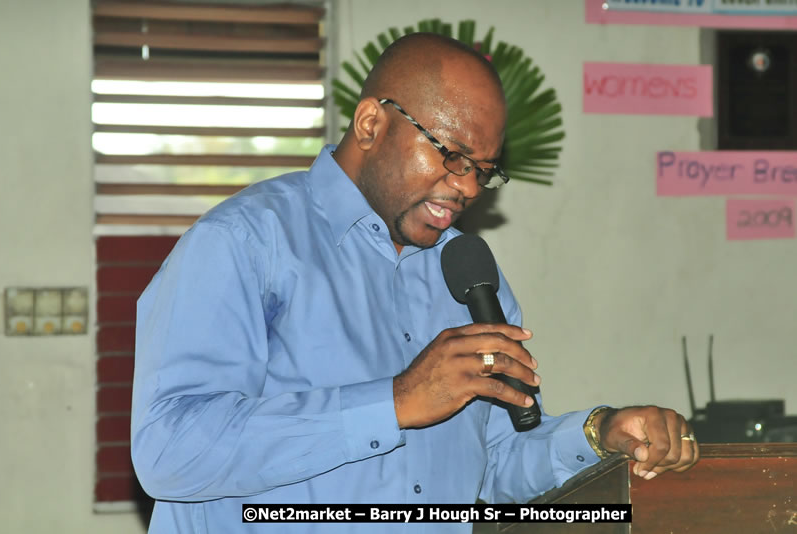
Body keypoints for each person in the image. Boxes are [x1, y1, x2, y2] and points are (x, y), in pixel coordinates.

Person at [131, 33, 698, 533]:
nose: (469, 187)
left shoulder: (469, 271)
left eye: (483, 169)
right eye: (452, 155)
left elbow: (496, 465)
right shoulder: (245, 243)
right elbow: (170, 450)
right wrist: (397, 401)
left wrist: (601, 433)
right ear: (371, 122)